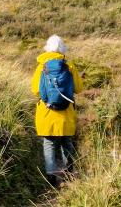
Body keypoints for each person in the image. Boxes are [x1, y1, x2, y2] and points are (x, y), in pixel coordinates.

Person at [30, 35, 83, 188]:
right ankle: (69, 174)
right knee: (67, 143)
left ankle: (51, 177)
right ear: (62, 49)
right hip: (66, 113)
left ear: (47, 48)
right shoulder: (69, 65)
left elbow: (35, 90)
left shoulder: (41, 66)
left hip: (47, 112)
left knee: (49, 144)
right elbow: (79, 88)